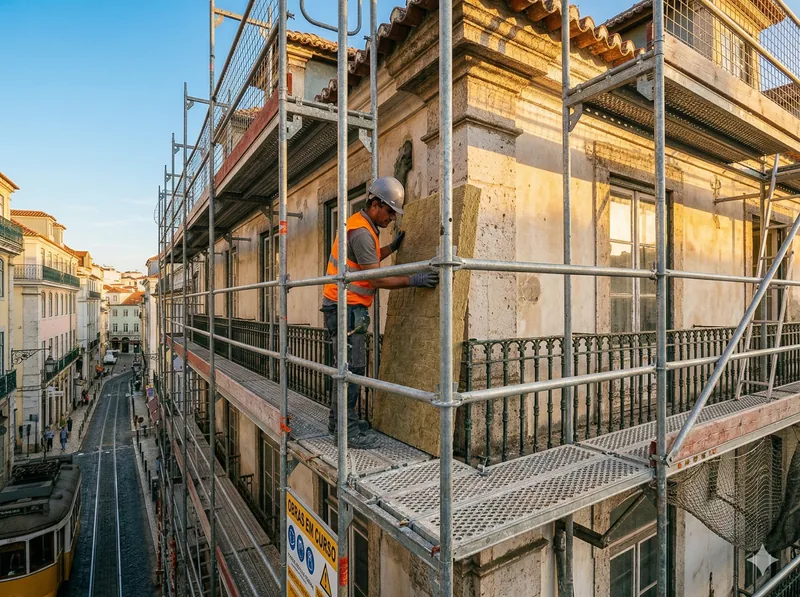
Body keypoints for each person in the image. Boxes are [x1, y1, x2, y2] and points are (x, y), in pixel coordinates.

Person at [322, 176, 439, 448]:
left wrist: (391, 248)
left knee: (345, 368)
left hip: (343, 306)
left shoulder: (362, 225)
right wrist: (414, 280)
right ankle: (347, 431)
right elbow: (375, 279)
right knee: (352, 369)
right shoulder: (362, 232)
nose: (390, 219)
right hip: (346, 308)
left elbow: (368, 261)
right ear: (375, 204)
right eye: (389, 212)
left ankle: (338, 421)